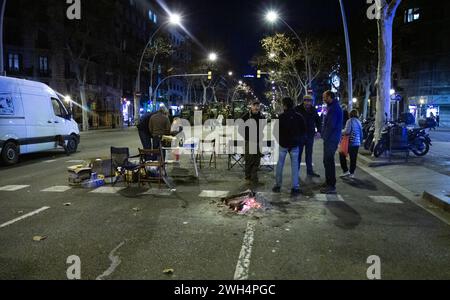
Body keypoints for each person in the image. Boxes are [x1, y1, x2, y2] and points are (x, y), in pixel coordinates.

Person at [273, 97, 306, 196]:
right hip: (295, 145)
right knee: (295, 166)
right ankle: (295, 187)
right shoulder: (298, 116)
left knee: (280, 164)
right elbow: (303, 130)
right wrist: (298, 141)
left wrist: (281, 141)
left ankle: (278, 185)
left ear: (285, 105)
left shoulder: (281, 117)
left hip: (283, 145)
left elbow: (275, 131)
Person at [321, 91, 343, 194]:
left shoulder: (333, 109)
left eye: (324, 97)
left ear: (329, 97)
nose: (323, 99)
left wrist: (324, 136)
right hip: (331, 138)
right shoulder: (332, 107)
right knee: (327, 161)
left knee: (328, 161)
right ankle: (328, 181)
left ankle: (331, 185)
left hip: (331, 139)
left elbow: (331, 125)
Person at [295, 95, 322, 178]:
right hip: (300, 135)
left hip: (310, 135)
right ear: (303, 101)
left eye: (309, 101)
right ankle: (296, 171)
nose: (308, 102)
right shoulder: (297, 109)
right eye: (306, 101)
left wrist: (319, 131)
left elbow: (318, 121)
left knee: (309, 154)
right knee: (298, 154)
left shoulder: (313, 109)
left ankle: (309, 171)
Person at [241, 100, 265, 186]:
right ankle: (248, 178)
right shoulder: (246, 116)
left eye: (257, 106)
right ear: (251, 106)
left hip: (258, 141)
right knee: (249, 160)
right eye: (254, 105)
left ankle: (254, 178)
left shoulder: (261, 116)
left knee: (257, 160)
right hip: (249, 141)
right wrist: (247, 136)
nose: (256, 107)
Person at [339, 109, 363, 179]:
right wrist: (360, 141)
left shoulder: (350, 121)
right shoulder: (359, 122)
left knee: (342, 155)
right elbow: (361, 133)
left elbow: (347, 131)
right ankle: (352, 173)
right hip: (357, 142)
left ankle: (345, 171)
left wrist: (340, 131)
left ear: (350, 114)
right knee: (353, 158)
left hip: (350, 142)